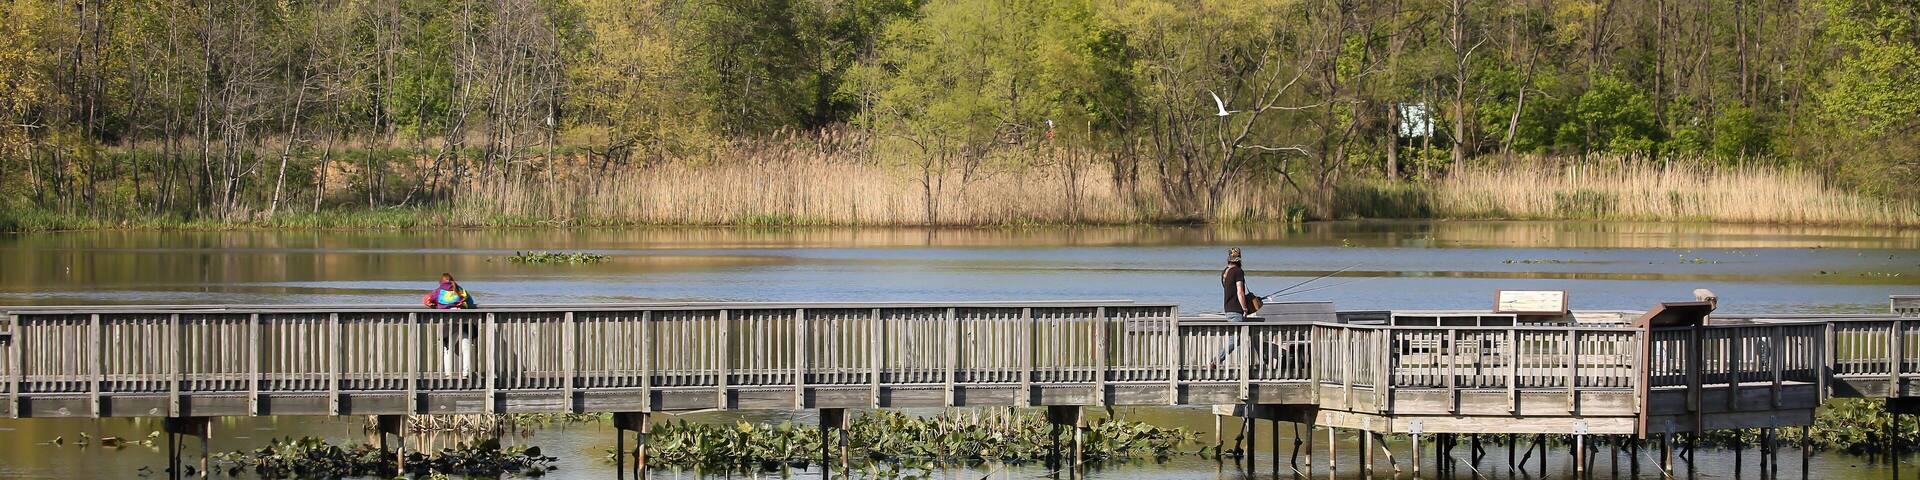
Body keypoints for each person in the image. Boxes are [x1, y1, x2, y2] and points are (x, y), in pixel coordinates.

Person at [425, 273, 478, 378]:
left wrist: (435, 305)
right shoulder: (460, 290)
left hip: (449, 322)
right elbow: (471, 304)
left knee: (448, 348)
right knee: (466, 348)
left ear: (440, 282)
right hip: (465, 321)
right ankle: (465, 373)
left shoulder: (438, 291)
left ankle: (448, 374)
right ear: (452, 280)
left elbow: (427, 300)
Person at [1222, 248, 1251, 322]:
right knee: (1237, 333)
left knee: (1233, 333)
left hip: (1228, 309)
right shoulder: (1238, 271)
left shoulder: (1225, 271)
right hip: (1236, 310)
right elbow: (1240, 292)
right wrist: (1244, 308)